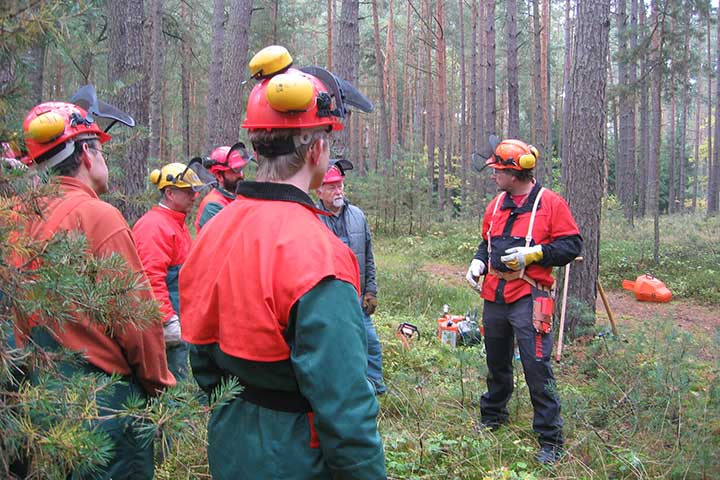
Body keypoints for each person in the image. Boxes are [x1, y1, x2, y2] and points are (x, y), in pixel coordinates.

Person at [179, 45, 385, 479]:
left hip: (230, 439)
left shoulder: (211, 230)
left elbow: (200, 356)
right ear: (317, 150)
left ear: (257, 146)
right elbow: (345, 406)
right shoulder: (321, 253)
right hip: (297, 455)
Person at [15, 87, 175, 478]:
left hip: (34, 404)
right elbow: (137, 323)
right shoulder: (99, 217)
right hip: (106, 410)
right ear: (86, 154)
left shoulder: (14, 215)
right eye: (100, 149)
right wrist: (160, 389)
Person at [466, 137, 582, 465]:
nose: (493, 175)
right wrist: (478, 262)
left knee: (536, 366)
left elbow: (572, 245)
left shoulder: (551, 204)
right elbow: (485, 241)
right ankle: (493, 416)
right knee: (496, 361)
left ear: (516, 173)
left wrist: (537, 253)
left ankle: (550, 438)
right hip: (495, 295)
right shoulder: (495, 205)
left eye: (498, 170)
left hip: (530, 295)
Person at [315, 158, 385, 395]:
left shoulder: (357, 215)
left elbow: (368, 258)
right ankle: (339, 390)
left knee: (370, 344)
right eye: (332, 186)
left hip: (357, 296)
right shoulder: (312, 219)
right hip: (328, 299)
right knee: (334, 348)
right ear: (319, 191)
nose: (338, 191)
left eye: (340, 185)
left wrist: (371, 291)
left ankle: (375, 387)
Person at [133, 162, 208, 380]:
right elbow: (149, 277)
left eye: (194, 191)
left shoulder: (176, 223)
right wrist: (166, 321)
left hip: (182, 318)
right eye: (188, 192)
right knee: (173, 386)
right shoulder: (154, 226)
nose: (194, 197)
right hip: (167, 326)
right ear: (169, 192)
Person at [194, 144, 248, 232]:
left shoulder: (236, 198)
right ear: (219, 176)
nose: (240, 175)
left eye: (240, 169)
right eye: (234, 170)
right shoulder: (212, 206)